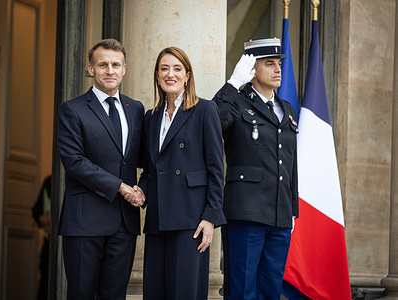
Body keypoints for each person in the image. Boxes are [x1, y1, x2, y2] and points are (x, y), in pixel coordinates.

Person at [57, 38, 145, 300]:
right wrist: (120, 186)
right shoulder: (71, 110)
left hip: (124, 223)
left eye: (115, 65)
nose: (110, 70)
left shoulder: (136, 109)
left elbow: (144, 161)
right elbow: (74, 161)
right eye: (103, 64)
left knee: (115, 296)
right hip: (85, 222)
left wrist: (143, 190)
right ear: (91, 69)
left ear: (124, 68)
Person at [134, 46, 226, 300]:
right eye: (164, 68)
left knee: (185, 293)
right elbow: (149, 170)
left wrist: (210, 217)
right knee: (155, 292)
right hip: (158, 219)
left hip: (191, 221)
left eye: (177, 69)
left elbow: (217, 169)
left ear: (187, 76)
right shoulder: (150, 117)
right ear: (157, 75)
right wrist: (140, 190)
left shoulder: (204, 110)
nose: (170, 74)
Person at [212, 37, 299, 299]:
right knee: (242, 289)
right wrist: (232, 84)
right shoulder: (237, 103)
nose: (277, 69)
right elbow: (211, 123)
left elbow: (290, 163)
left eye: (279, 64)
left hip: (279, 214)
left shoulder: (287, 109)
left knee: (270, 289)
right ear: (252, 70)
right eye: (269, 63)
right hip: (246, 213)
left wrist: (292, 210)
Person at [32, 175, 51, 300]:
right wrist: (44, 219)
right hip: (49, 243)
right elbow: (36, 211)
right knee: (45, 283)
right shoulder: (49, 181)